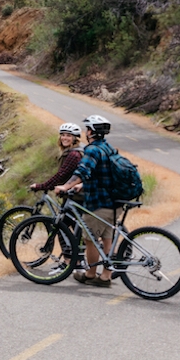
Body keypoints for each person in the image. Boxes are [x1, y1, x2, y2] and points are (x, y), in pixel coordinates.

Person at [55, 114, 116, 286]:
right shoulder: (108, 148)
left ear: (91, 131)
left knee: (89, 239)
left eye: (87, 129)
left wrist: (64, 187)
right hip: (113, 200)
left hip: (99, 202)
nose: (86, 132)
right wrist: (82, 186)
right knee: (106, 239)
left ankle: (89, 275)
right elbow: (101, 174)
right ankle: (105, 276)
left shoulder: (92, 149)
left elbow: (82, 172)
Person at [29, 123, 83, 193]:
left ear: (75, 139)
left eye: (68, 136)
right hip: (70, 191)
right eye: (63, 135)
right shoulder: (69, 152)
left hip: (76, 193)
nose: (64, 138)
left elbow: (61, 174)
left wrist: (41, 186)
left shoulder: (74, 155)